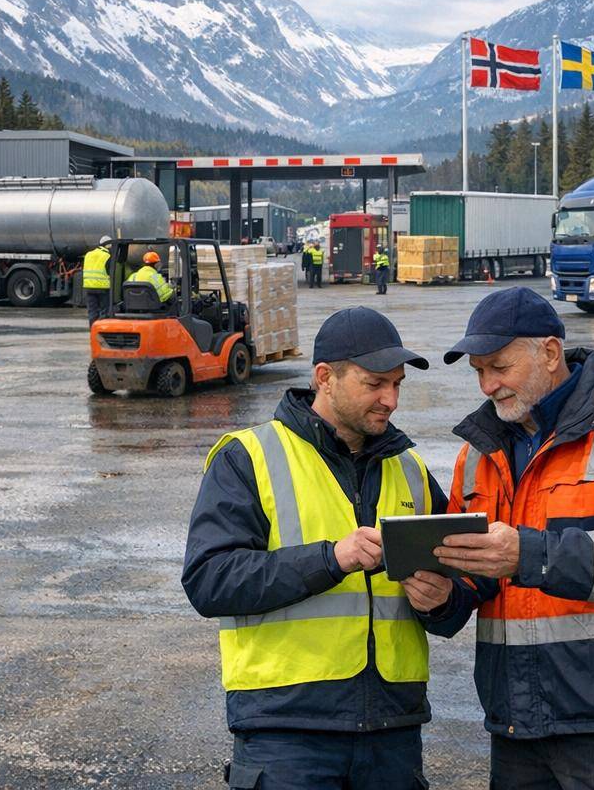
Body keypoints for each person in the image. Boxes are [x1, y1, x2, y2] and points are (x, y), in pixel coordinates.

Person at [420, 287, 594, 789]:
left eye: (499, 367)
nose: (487, 385)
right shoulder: (480, 457)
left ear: (550, 353)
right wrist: (444, 598)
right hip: (520, 725)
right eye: (478, 372)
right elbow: (478, 577)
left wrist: (529, 555)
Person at [182, 307, 467, 789]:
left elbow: (460, 590)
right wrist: (331, 559)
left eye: (398, 384)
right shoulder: (248, 457)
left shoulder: (412, 471)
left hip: (393, 734)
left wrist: (443, 602)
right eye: (376, 383)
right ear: (325, 378)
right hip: (287, 732)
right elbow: (210, 580)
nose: (391, 399)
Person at [83, 235, 115, 325]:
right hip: (102, 288)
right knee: (104, 312)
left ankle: (93, 331)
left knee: (92, 312)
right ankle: (101, 331)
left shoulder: (88, 254)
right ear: (108, 246)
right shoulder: (107, 256)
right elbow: (110, 273)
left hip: (89, 287)